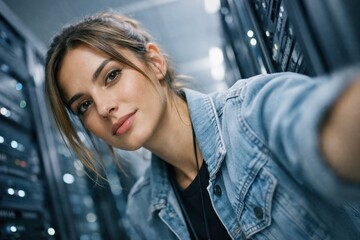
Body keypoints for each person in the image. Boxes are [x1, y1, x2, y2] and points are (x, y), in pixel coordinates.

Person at [44, 11, 360, 240]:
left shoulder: (251, 112)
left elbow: (326, 128)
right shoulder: (143, 212)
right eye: (83, 105)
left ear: (154, 62)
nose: (103, 107)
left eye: (111, 75)